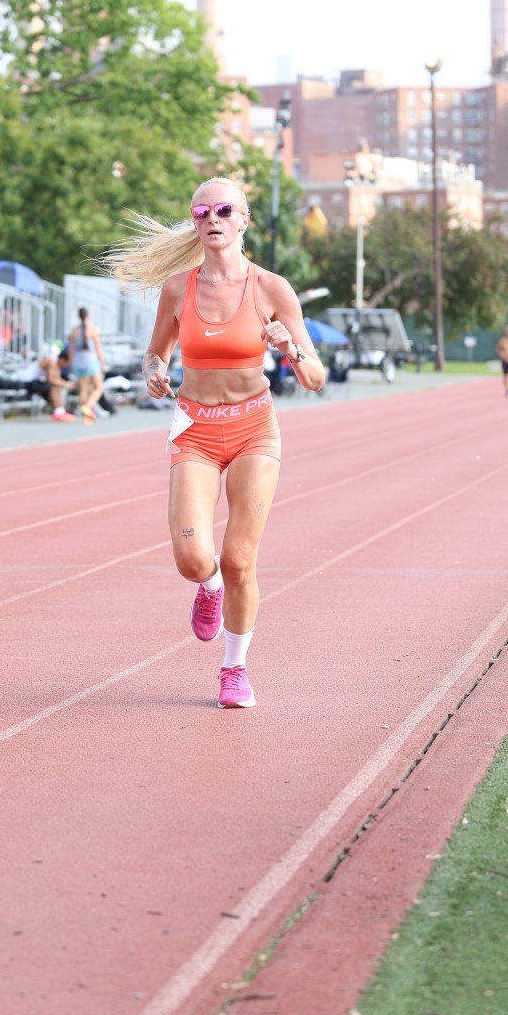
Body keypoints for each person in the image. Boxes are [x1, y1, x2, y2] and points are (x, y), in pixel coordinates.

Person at [101, 176, 325, 709]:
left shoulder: (272, 289)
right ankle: (209, 588)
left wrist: (290, 347)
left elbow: (315, 378)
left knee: (240, 558)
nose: (212, 220)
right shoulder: (178, 288)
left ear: (244, 220)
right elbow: (155, 353)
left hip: (254, 429)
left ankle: (234, 668)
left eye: (224, 210)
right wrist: (153, 372)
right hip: (196, 431)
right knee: (192, 558)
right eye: (202, 213)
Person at [67, 307, 106, 422]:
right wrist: (102, 361)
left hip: (78, 361)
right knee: (98, 387)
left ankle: (87, 414)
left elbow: (71, 350)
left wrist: (71, 363)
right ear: (88, 316)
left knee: (83, 389)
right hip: (90, 360)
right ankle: (88, 406)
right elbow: (98, 347)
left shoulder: (74, 331)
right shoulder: (93, 329)